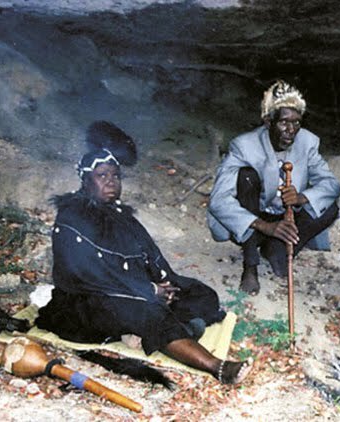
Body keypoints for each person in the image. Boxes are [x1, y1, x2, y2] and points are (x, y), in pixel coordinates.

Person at [36, 121, 250, 384]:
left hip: (133, 290)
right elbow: (89, 276)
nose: (111, 182)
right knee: (145, 311)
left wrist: (166, 286)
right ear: (85, 180)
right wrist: (149, 291)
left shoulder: (122, 216)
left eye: (115, 176)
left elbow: (151, 257)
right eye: (102, 176)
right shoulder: (72, 216)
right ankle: (217, 367)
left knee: (202, 295)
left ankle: (150, 331)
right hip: (85, 301)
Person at [207, 81, 340, 295]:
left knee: (330, 206)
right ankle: (250, 265)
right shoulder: (244, 146)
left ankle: (278, 248)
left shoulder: (307, 142)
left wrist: (302, 198)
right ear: (268, 121)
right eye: (284, 123)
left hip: (284, 216)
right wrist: (265, 226)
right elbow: (218, 200)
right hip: (253, 219)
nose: (291, 131)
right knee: (247, 178)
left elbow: (331, 185)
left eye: (296, 123)